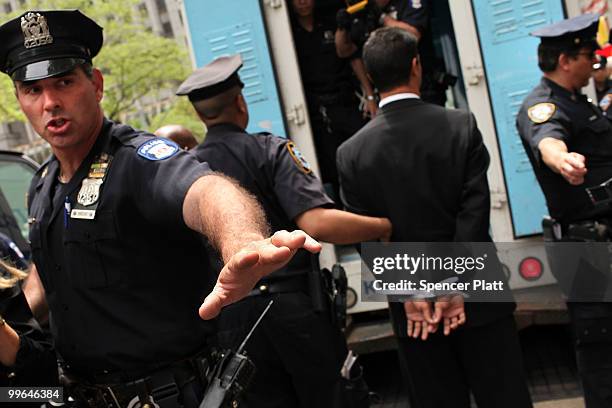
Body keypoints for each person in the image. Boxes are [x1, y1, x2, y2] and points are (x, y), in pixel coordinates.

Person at [0, 9, 320, 408]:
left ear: (95, 84)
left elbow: (207, 191)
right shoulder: (42, 183)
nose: (50, 102)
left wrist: (240, 242)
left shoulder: (137, 160)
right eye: (32, 90)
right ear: (20, 99)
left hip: (170, 395)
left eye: (64, 82)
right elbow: (50, 276)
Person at [176, 54, 391, 408]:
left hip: (232, 320)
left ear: (200, 116)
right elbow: (317, 223)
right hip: (294, 310)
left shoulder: (188, 172)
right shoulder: (268, 150)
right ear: (240, 103)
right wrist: (382, 227)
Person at [336, 27, 532, 408]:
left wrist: (412, 292)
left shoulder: (351, 152)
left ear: (371, 78)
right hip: (478, 294)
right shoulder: (460, 125)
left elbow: (365, 236)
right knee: (504, 395)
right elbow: (473, 214)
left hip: (413, 310)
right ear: (416, 66)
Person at [516, 13, 612, 408]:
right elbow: (548, 142)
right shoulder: (543, 106)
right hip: (586, 250)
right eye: (589, 53)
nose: (596, 60)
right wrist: (562, 161)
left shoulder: (581, 101)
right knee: (601, 350)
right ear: (564, 61)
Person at [290, 0, 373, 199]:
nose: (303, 2)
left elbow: (351, 55)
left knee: (362, 157)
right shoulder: (288, 34)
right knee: (332, 169)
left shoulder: (331, 23)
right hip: (316, 113)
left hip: (344, 102)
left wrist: (370, 96)